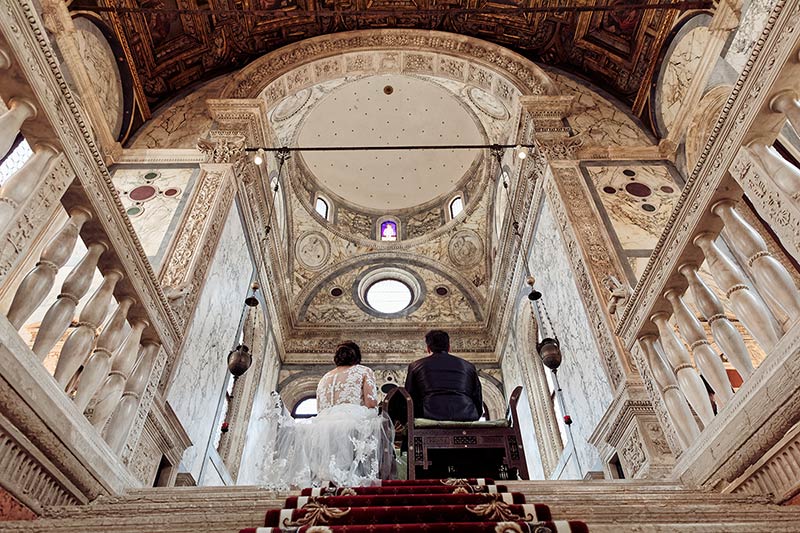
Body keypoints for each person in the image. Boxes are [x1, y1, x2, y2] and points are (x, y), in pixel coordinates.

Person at [262, 341, 394, 488]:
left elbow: (320, 409)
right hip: (350, 422)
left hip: (321, 426)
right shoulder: (363, 371)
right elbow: (371, 402)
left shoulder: (325, 377)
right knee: (377, 420)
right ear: (357, 357)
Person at [404, 330, 483, 421]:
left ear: (428, 348)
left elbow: (409, 399)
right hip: (466, 415)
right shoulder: (469, 366)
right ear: (449, 347)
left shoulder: (415, 366)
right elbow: (477, 399)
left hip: (429, 415)